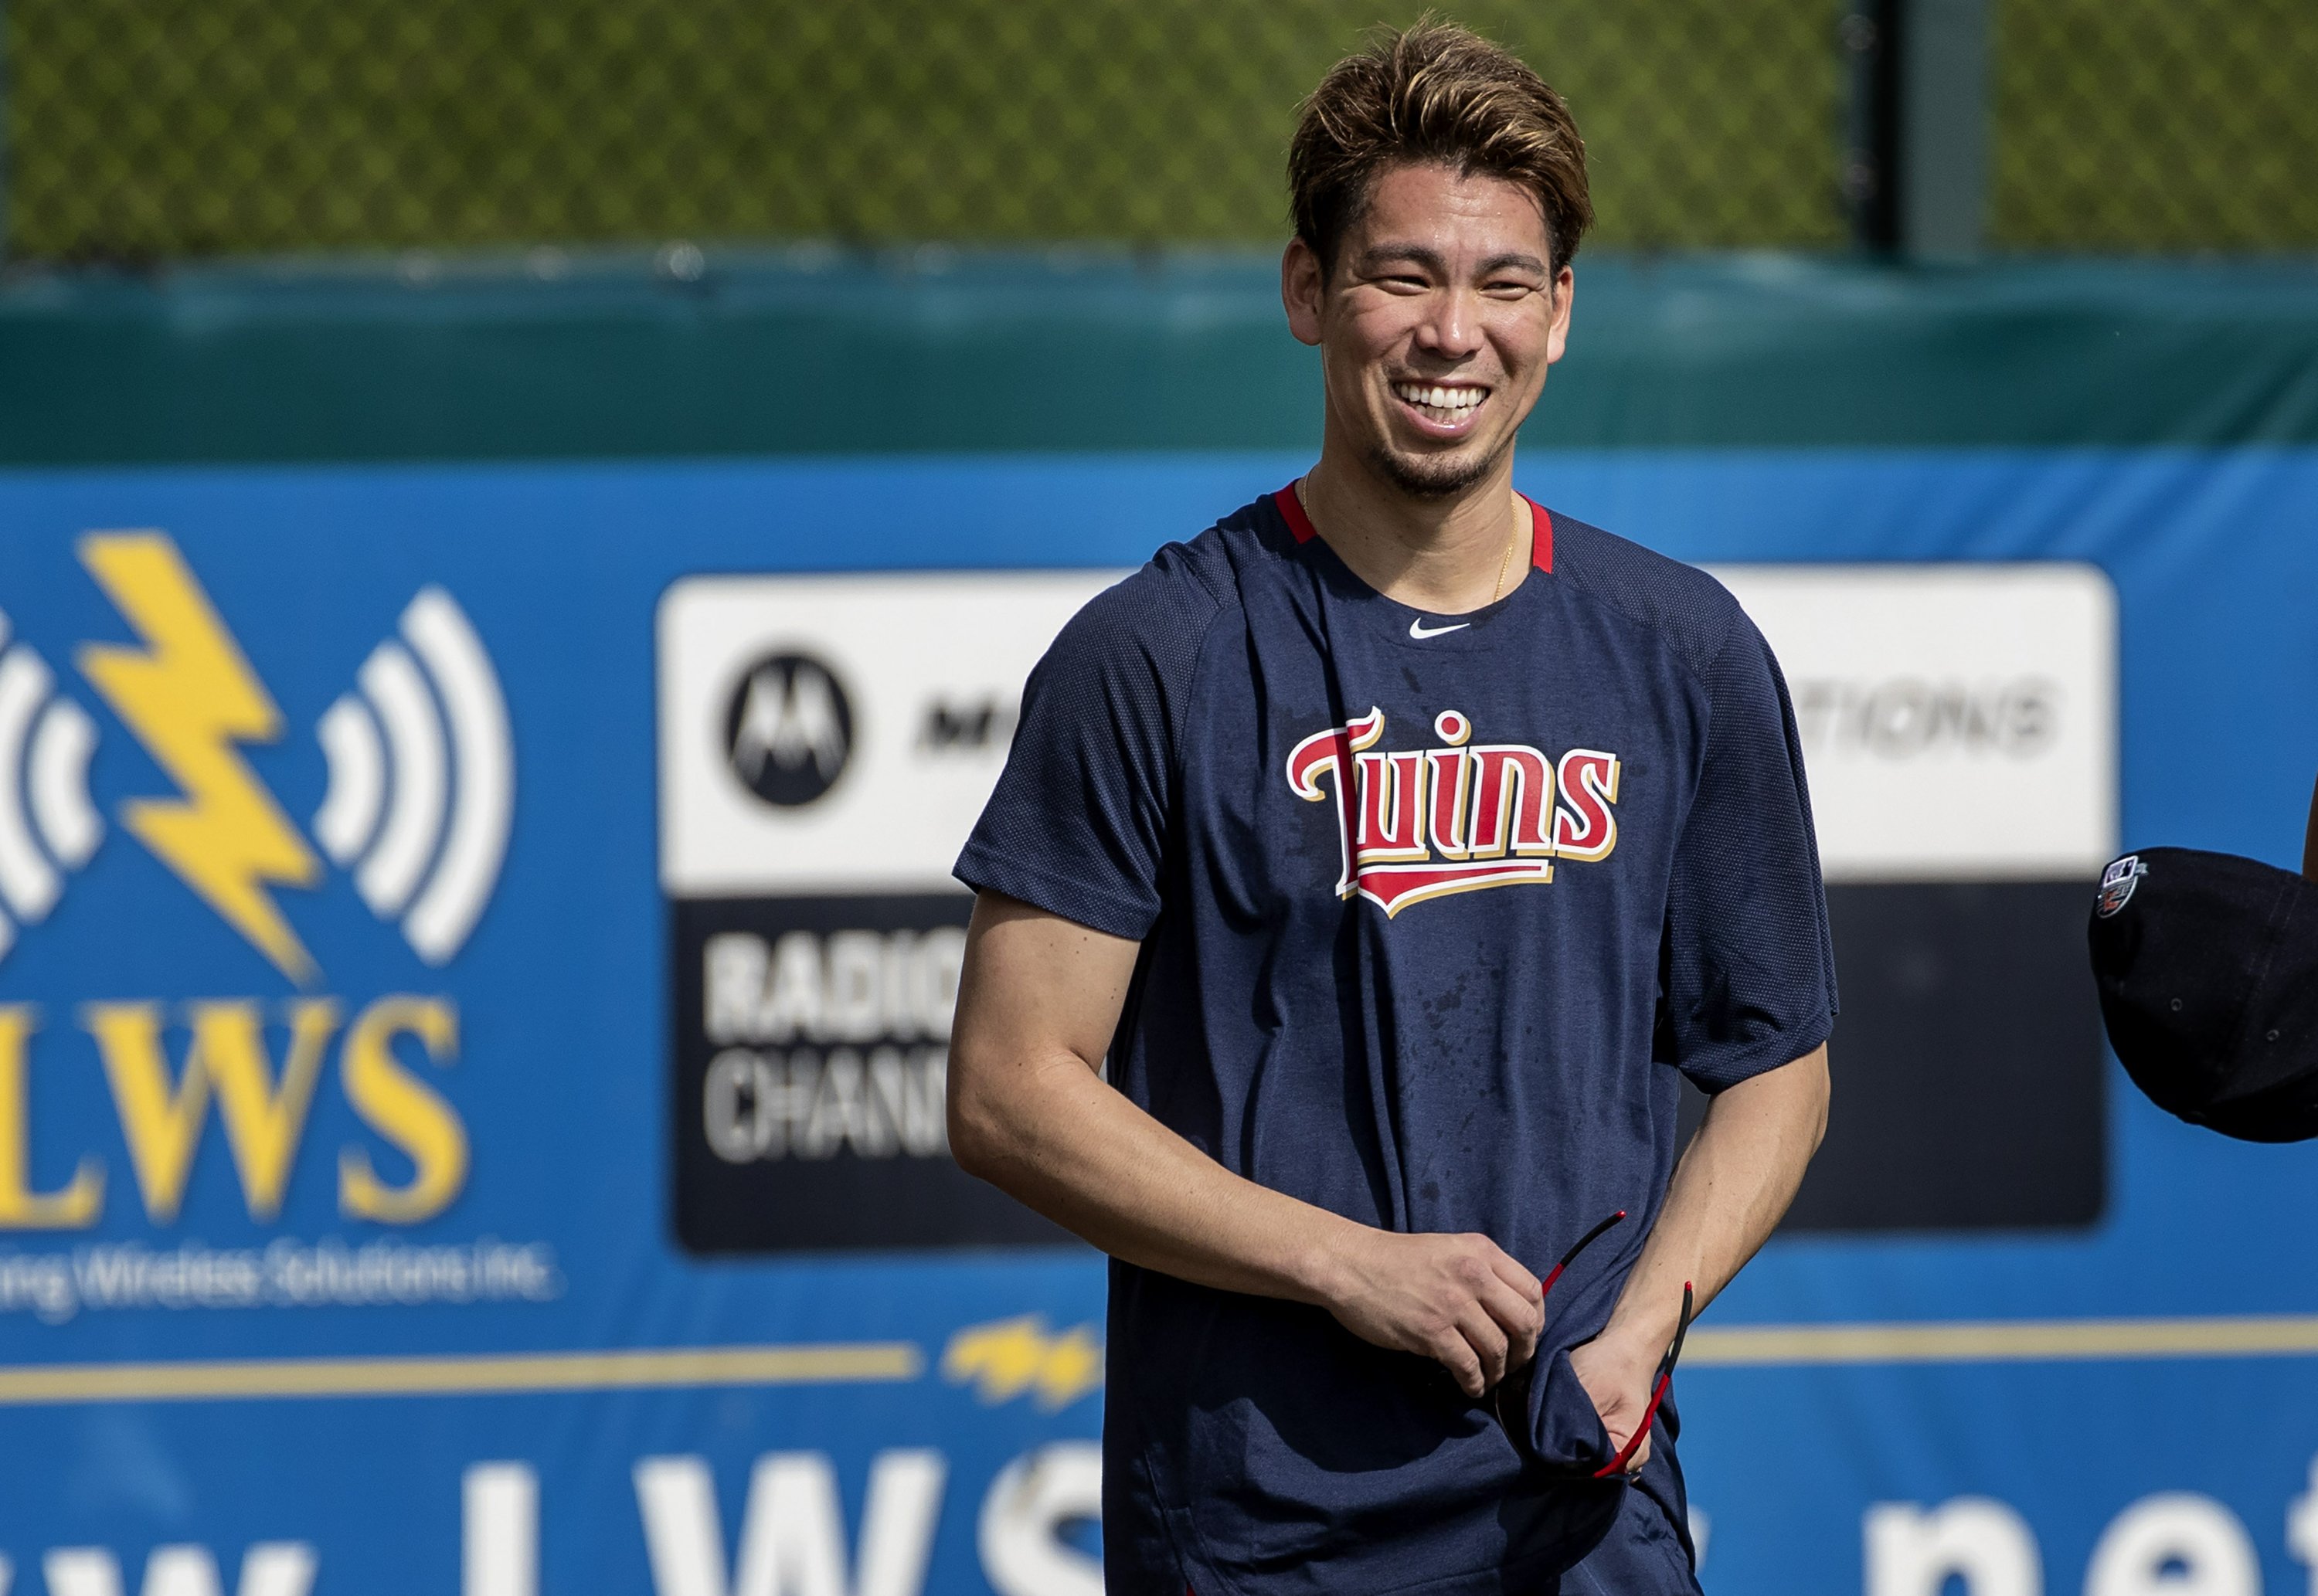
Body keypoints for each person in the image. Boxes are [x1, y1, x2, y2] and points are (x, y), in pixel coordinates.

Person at [947, 20, 1834, 1594]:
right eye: (1402, 275)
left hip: (1583, 1503)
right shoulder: (1155, 655)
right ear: (1309, 294)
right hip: (1255, 1521)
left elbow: (1776, 1070)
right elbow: (1012, 1090)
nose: (1452, 334)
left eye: (1503, 284)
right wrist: (1346, 1264)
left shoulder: (1681, 652)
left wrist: (1644, 1330)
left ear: (1559, 316)